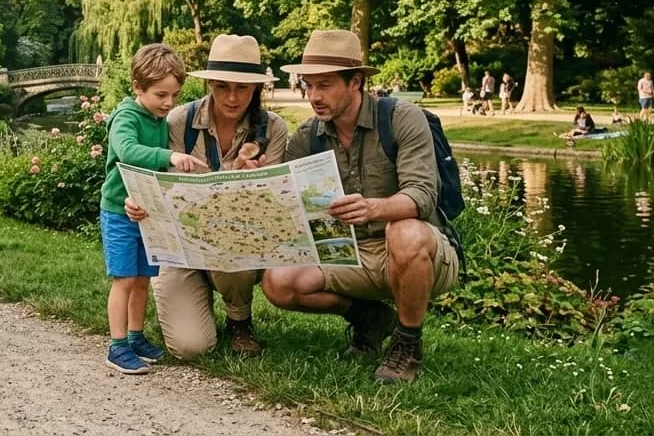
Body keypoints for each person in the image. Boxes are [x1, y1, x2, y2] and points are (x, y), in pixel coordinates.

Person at [262, 30, 460, 384]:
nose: (314, 97)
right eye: (309, 85)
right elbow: (283, 199)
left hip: (419, 250)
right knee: (279, 282)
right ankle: (369, 317)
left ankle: (406, 343)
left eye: (325, 85)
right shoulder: (308, 136)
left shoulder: (401, 118)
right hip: (350, 253)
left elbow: (422, 195)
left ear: (355, 82)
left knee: (404, 230)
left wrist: (374, 208)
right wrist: (259, 176)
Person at [127, 35, 288, 360]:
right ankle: (194, 303)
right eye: (222, 86)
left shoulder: (272, 129)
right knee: (190, 348)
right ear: (210, 84)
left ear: (256, 88)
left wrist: (247, 179)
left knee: (233, 241)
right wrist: (138, 201)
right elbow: (159, 180)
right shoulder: (179, 121)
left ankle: (239, 320)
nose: (231, 97)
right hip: (181, 247)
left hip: (237, 243)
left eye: (242, 88)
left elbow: (272, 205)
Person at [100, 43, 206, 375]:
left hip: (145, 211)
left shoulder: (157, 116)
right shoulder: (126, 117)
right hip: (119, 211)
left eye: (174, 96)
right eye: (162, 95)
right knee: (124, 279)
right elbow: (128, 151)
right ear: (137, 87)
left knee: (144, 278)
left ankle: (135, 336)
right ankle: (116, 346)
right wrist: (170, 157)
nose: (169, 103)